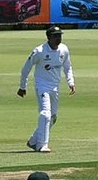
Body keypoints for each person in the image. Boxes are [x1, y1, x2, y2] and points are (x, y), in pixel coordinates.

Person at [18, 24, 75, 153]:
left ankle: (33, 140)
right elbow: (26, 68)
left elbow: (67, 67)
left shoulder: (64, 49)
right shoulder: (39, 51)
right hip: (42, 86)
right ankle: (42, 145)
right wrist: (22, 86)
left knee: (53, 117)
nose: (58, 39)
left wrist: (71, 82)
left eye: (60, 36)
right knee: (46, 113)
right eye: (55, 36)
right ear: (49, 37)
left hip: (55, 86)